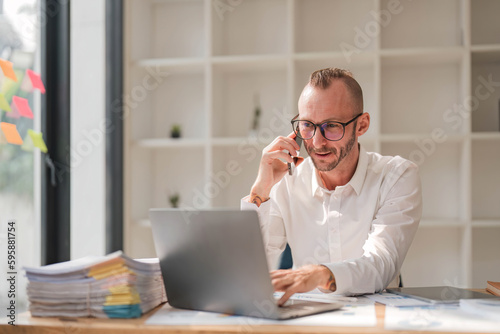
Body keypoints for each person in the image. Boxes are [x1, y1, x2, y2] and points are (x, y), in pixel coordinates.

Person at [241, 68, 422, 305]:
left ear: (362, 125)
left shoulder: (397, 176)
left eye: (332, 126)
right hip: (305, 319)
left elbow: (381, 263)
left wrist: (321, 274)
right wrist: (260, 192)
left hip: (377, 320)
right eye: (307, 125)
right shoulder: (286, 180)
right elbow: (250, 273)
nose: (316, 142)